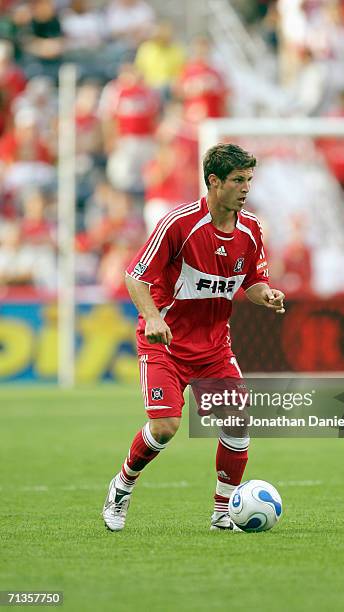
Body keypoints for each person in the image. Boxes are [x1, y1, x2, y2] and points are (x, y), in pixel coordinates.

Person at [102, 143, 285, 531]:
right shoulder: (179, 224)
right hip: (166, 344)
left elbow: (254, 281)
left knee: (237, 422)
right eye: (238, 180)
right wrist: (152, 316)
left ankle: (222, 513)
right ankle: (122, 485)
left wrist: (265, 294)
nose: (245, 188)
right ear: (214, 181)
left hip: (214, 348)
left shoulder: (251, 229)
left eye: (249, 180)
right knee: (165, 427)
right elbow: (134, 276)